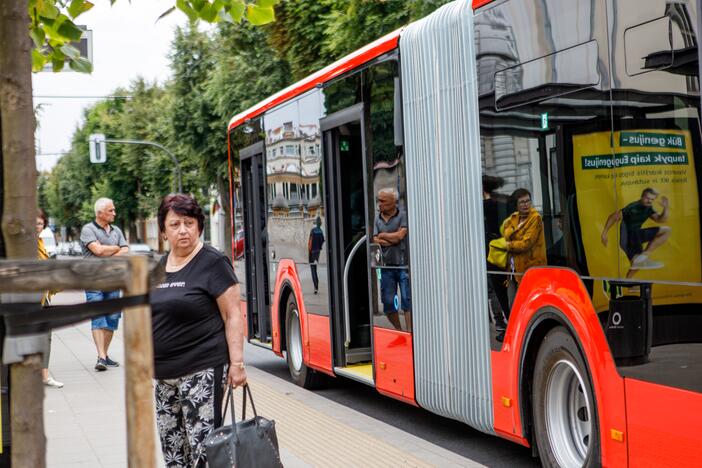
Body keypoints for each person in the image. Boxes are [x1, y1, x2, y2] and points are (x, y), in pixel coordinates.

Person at [150, 194, 247, 468]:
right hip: (163, 376)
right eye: (175, 224)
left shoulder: (213, 262)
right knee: (173, 452)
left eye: (189, 223)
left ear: (199, 227)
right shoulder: (158, 267)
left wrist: (237, 364)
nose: (183, 230)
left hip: (201, 370)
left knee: (203, 451)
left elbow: (232, 316)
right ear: (163, 231)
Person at [80, 197, 129, 371]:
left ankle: (104, 356)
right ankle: (101, 357)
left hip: (114, 280)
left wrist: (111, 252)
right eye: (111, 210)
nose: (114, 213)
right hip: (93, 280)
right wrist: (114, 248)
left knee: (112, 318)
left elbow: (125, 249)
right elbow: (97, 250)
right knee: (98, 317)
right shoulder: (88, 229)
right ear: (100, 213)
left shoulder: (116, 230)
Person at [601, 187, 670, 278]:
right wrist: (604, 233)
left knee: (637, 265)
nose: (649, 201)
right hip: (628, 238)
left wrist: (666, 208)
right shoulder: (633, 207)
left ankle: (629, 283)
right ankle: (643, 256)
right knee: (637, 263)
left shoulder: (648, 208)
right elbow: (613, 217)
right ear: (642, 197)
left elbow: (660, 219)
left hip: (636, 237)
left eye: (652, 199)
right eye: (647, 198)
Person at [372, 188, 411, 331]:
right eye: (378, 200)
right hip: (384, 267)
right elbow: (375, 240)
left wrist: (384, 236)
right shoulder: (377, 218)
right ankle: (400, 331)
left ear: (393, 202)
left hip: (403, 266)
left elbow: (401, 236)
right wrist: (392, 238)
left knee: (407, 301)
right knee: (388, 303)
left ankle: (409, 333)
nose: (379, 204)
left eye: (382, 201)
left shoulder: (403, 216)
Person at [36, 209, 63, 388]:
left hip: (43, 298)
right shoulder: (25, 244)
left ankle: (44, 376)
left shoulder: (40, 242)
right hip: (31, 300)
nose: (37, 226)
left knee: (46, 336)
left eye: (40, 223)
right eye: (34, 223)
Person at [482, 175, 509, 341]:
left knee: (494, 289)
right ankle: (503, 323)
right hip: (503, 250)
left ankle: (502, 324)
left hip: (491, 252)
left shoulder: (484, 206)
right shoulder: (503, 202)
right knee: (501, 287)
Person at [503, 188, 547, 282]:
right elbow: (505, 234)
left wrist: (507, 245)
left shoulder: (535, 218)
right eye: (522, 202)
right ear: (516, 205)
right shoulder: (514, 217)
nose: (526, 204)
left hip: (530, 269)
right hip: (513, 269)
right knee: (512, 296)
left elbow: (526, 244)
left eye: (528, 201)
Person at [308, 217, 325, 294]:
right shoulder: (321, 231)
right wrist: (319, 247)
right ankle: (316, 286)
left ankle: (315, 287)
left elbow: (310, 243)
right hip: (317, 252)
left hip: (312, 252)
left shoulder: (313, 230)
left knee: (313, 270)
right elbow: (322, 241)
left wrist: (310, 251)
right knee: (315, 269)